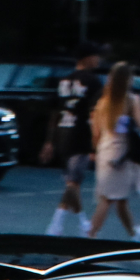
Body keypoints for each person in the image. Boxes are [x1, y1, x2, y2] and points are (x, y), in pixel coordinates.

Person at [84, 61, 140, 241]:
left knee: (118, 196)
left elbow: (96, 130)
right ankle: (91, 233)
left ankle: (133, 232)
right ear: (127, 79)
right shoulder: (132, 100)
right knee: (108, 198)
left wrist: (94, 149)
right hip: (121, 152)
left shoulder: (103, 102)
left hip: (104, 149)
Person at [42, 44, 104, 236]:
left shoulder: (63, 80)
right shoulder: (93, 82)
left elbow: (54, 111)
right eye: (95, 56)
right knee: (73, 182)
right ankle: (57, 224)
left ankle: (80, 223)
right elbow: (95, 112)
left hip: (63, 132)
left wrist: (49, 140)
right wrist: (96, 141)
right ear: (86, 58)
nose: (98, 60)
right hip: (81, 133)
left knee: (72, 181)